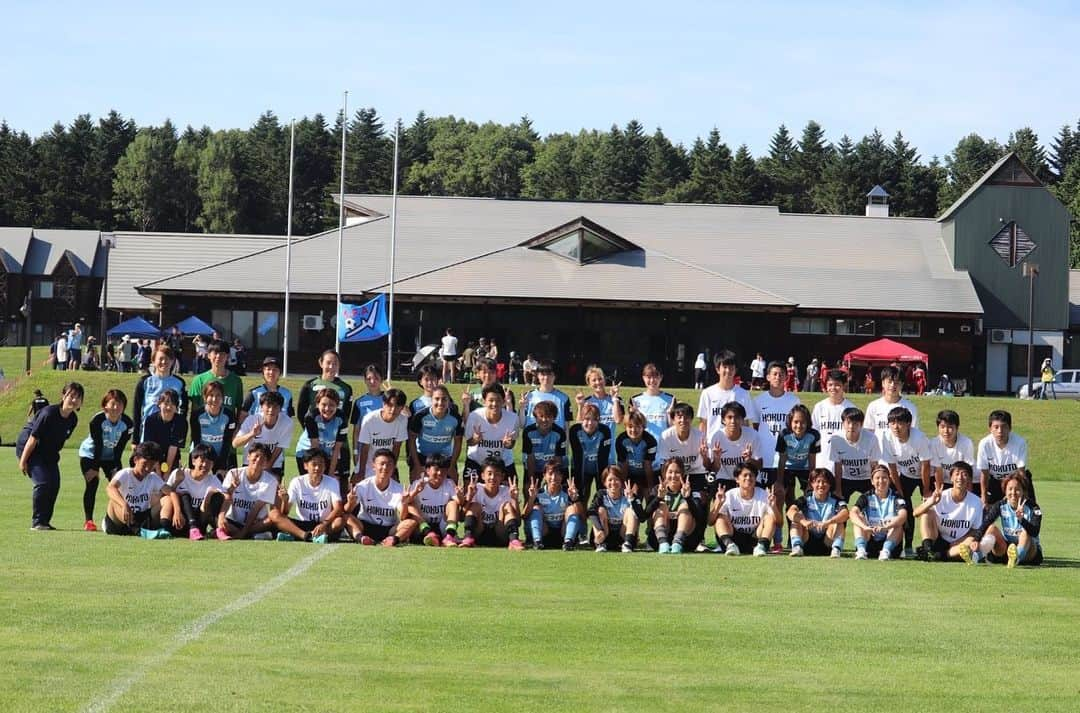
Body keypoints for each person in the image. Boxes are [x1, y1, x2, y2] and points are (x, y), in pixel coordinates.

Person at [17, 382, 84, 530]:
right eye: (71, 396)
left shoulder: (73, 419)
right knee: (43, 482)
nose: (74, 400)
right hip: (30, 448)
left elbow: (58, 441)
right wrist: (23, 461)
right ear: (63, 396)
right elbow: (33, 438)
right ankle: (37, 522)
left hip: (48, 452)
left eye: (78, 397)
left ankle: (44, 522)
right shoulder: (48, 413)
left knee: (54, 484)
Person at [754, 361, 801, 543]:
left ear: (786, 377)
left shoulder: (793, 401)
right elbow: (757, 427)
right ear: (767, 377)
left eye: (781, 374)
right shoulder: (759, 401)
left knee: (789, 498)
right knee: (769, 499)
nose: (777, 377)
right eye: (774, 374)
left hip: (787, 459)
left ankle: (793, 537)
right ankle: (771, 537)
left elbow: (797, 428)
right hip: (765, 458)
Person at [77, 389, 135, 531]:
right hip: (90, 455)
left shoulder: (127, 423)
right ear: (105, 406)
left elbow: (120, 448)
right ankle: (89, 520)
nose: (116, 407)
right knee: (93, 482)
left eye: (120, 404)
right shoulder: (97, 420)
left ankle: (118, 518)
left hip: (111, 457)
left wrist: (117, 469)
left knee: (120, 487)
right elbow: (97, 445)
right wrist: (95, 469)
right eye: (113, 404)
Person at [913, 462, 984, 564]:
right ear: (951, 478)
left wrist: (958, 542)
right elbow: (915, 513)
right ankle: (928, 549)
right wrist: (931, 502)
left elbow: (975, 530)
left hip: (959, 543)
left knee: (971, 541)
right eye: (957, 473)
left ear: (969, 479)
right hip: (938, 539)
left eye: (964, 474)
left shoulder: (976, 502)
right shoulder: (941, 496)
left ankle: (939, 556)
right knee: (927, 513)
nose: (960, 477)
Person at [343, 449, 415, 546]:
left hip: (388, 529)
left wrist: (405, 503)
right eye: (382, 464)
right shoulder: (363, 486)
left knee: (411, 522)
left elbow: (403, 517)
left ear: (394, 467)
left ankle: (393, 540)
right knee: (346, 517)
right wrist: (350, 502)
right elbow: (347, 511)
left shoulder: (399, 489)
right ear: (374, 466)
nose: (385, 467)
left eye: (389, 464)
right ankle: (362, 538)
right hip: (365, 526)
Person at [271, 450, 344, 543]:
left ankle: (296, 536)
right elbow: (284, 513)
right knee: (274, 514)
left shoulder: (332, 482)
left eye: (321, 464)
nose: (317, 468)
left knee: (339, 521)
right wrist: (285, 500)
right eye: (314, 464)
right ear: (305, 466)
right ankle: (306, 536)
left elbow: (338, 508)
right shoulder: (297, 482)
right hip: (302, 524)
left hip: (323, 523)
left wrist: (324, 524)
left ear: (325, 466)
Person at [103, 441, 172, 537]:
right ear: (136, 460)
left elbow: (171, 492)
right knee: (113, 502)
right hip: (120, 522)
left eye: (152, 465)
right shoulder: (125, 473)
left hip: (141, 519)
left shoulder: (152, 477)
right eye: (145, 464)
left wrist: (177, 511)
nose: (148, 468)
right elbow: (110, 488)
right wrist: (124, 505)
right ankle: (139, 531)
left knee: (167, 499)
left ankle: (166, 529)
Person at [975, 473, 1043, 567]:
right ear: (1005, 491)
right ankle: (977, 555)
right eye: (1010, 489)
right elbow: (986, 522)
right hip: (1007, 550)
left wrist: (1021, 520)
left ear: (1023, 491)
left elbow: (1035, 532)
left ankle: (1016, 557)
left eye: (1017, 489)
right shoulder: (1000, 505)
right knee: (992, 528)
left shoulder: (1033, 507)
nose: (1013, 493)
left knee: (1025, 532)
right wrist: (976, 539)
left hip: (1029, 552)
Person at [712, 462, 778, 557]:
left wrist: (774, 507)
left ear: (755, 478)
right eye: (745, 475)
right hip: (734, 538)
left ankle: (762, 546)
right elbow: (710, 521)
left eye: (751, 475)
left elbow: (779, 522)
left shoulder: (764, 495)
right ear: (737, 479)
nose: (748, 478)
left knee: (770, 518)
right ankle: (729, 546)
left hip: (755, 539)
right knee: (720, 518)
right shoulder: (729, 495)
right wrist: (718, 504)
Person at [162, 443, 226, 540]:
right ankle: (191, 529)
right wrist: (177, 482)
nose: (205, 465)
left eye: (209, 462)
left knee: (216, 496)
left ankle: (218, 529)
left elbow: (225, 498)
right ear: (193, 461)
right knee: (184, 495)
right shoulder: (179, 473)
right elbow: (165, 496)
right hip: (181, 520)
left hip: (200, 521)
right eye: (202, 461)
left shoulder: (213, 480)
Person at [216, 444, 279, 541]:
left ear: (266, 463)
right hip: (233, 520)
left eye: (263, 458)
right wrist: (232, 488)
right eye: (256, 456)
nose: (258, 460)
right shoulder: (233, 473)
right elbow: (226, 498)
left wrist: (243, 533)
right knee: (217, 515)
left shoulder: (270, 481)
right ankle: (251, 534)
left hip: (255, 522)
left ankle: (243, 533)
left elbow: (256, 509)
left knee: (271, 518)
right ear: (248, 456)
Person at [458, 458, 524, 550]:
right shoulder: (476, 489)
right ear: (482, 476)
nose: (492, 477)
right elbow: (461, 518)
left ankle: (514, 541)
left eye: (497, 474)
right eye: (489, 474)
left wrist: (514, 500)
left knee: (507, 506)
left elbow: (518, 522)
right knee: (475, 505)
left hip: (499, 534)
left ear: (502, 476)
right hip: (479, 533)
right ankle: (468, 537)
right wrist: (469, 497)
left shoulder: (506, 491)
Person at [132, 344, 189, 447]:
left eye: (167, 359)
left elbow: (183, 409)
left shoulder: (179, 383)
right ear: (153, 361)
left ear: (172, 361)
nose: (164, 362)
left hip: (170, 433)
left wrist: (179, 432)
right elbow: (137, 411)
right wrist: (135, 440)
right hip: (148, 432)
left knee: (168, 463)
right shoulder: (145, 382)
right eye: (160, 359)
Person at [644, 458, 703, 554]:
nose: (673, 476)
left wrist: (687, 498)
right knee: (661, 506)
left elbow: (699, 517)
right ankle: (663, 544)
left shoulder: (690, 489)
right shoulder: (657, 489)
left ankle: (677, 543)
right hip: (659, 539)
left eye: (677, 472)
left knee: (684, 507)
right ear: (664, 474)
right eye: (670, 472)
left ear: (682, 474)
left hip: (686, 540)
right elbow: (644, 516)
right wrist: (658, 498)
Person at [786, 468, 849, 558]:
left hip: (827, 541)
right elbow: (790, 512)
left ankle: (836, 549)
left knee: (839, 522)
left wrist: (828, 522)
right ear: (812, 483)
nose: (821, 485)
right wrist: (804, 521)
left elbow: (845, 513)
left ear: (830, 484)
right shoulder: (805, 499)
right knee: (796, 519)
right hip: (807, 540)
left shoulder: (836, 500)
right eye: (817, 481)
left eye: (825, 482)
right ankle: (797, 547)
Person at [849, 464, 907, 560]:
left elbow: (903, 515)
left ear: (889, 480)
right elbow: (852, 513)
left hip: (890, 539)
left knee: (898, 524)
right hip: (870, 537)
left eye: (884, 478)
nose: (881, 481)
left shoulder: (896, 497)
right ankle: (861, 550)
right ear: (872, 481)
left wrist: (886, 527)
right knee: (859, 519)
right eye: (877, 478)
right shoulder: (866, 496)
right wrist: (865, 527)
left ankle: (885, 551)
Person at [523, 460, 584, 551]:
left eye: (557, 474)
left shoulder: (569, 492)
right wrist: (531, 498)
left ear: (562, 476)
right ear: (544, 475)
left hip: (562, 534)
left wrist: (576, 499)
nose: (554, 477)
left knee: (572, 509)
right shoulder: (538, 493)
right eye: (550, 474)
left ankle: (568, 542)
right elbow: (524, 515)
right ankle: (537, 541)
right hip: (544, 534)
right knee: (536, 508)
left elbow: (582, 517)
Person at [407, 384, 464, 482]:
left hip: (445, 458)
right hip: (423, 457)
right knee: (416, 486)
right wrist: (417, 465)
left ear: (448, 401)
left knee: (453, 484)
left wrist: (452, 466)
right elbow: (411, 440)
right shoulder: (420, 416)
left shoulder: (455, 418)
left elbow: (458, 442)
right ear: (431, 400)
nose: (440, 402)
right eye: (436, 399)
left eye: (444, 399)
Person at [698, 350, 760, 440]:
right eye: (725, 367)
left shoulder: (744, 394)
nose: (728, 370)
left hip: (737, 449)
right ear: (718, 369)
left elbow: (746, 424)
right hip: (713, 447)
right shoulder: (707, 393)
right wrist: (702, 443)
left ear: (735, 370)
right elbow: (703, 423)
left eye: (731, 367)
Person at [463, 383, 518, 484]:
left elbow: (512, 444)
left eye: (498, 400)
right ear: (484, 401)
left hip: (503, 462)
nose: (494, 404)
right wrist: (475, 439)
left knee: (511, 492)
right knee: (469, 492)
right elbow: (469, 442)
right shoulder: (474, 416)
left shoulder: (512, 418)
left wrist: (508, 443)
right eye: (491, 400)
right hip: (477, 461)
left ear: (503, 402)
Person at [406, 454, 464, 546]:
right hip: (423, 527)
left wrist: (460, 496)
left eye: (443, 470)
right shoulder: (419, 484)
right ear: (427, 470)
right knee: (411, 505)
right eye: (436, 469)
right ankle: (428, 533)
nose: (440, 473)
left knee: (453, 504)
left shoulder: (449, 483)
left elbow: (460, 503)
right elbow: (406, 503)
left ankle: (449, 537)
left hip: (442, 526)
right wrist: (415, 492)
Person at [704, 402, 763, 493]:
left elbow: (759, 465)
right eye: (729, 417)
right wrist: (716, 459)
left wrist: (749, 459)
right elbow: (713, 470)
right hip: (725, 478)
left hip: (747, 478)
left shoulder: (752, 435)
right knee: (718, 498)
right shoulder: (717, 437)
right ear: (723, 420)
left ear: (743, 420)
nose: (733, 421)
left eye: (737, 417)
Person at [233, 391, 293, 478]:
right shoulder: (251, 420)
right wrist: (252, 434)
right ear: (261, 407)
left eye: (275, 406)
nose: (271, 410)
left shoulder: (287, 422)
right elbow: (235, 443)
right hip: (250, 463)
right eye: (268, 406)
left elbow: (279, 448)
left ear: (280, 408)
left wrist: (266, 469)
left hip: (273, 465)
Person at [975, 410, 1030, 505]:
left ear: (1010, 428)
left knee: (1028, 508)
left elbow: (1021, 472)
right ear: (990, 428)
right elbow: (984, 473)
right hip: (994, 482)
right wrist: (984, 497)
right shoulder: (984, 444)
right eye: (996, 427)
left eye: (1004, 427)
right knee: (986, 513)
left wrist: (1023, 494)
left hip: (1015, 481)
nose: (1000, 431)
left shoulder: (1020, 443)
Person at [655, 402, 708, 498]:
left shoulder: (700, 436)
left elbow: (706, 466)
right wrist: (668, 482)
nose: (683, 420)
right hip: (674, 475)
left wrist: (704, 456)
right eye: (679, 417)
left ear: (691, 419)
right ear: (673, 419)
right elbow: (664, 466)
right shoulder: (665, 436)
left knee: (699, 501)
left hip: (695, 473)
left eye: (686, 417)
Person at [829, 407, 882, 503]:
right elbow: (838, 466)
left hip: (866, 478)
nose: (851, 426)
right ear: (843, 423)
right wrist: (838, 489)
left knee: (873, 504)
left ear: (861, 425)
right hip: (845, 478)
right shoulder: (836, 439)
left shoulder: (871, 439)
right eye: (848, 422)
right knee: (837, 503)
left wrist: (876, 486)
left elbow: (874, 465)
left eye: (855, 423)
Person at [296, 388, 348, 484]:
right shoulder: (311, 417)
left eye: (332, 405)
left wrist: (331, 474)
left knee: (328, 481)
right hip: (307, 453)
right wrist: (317, 472)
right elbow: (315, 448)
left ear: (337, 406)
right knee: (312, 482)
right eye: (323, 405)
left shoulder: (341, 418)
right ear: (317, 404)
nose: (327, 409)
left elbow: (336, 449)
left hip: (327, 453)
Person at [356, 388, 408, 481]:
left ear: (402, 407)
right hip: (369, 465)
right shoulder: (369, 419)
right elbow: (364, 448)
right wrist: (361, 472)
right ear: (383, 404)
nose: (393, 409)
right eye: (390, 405)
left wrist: (392, 470)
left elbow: (397, 447)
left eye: (397, 406)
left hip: (388, 465)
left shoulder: (403, 420)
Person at [188, 381, 238, 477]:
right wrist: (201, 461)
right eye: (211, 395)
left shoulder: (229, 415)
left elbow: (227, 441)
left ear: (223, 398)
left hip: (220, 457)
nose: (214, 399)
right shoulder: (197, 415)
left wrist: (222, 465)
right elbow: (196, 439)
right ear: (205, 397)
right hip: (199, 457)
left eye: (218, 395)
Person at [588, 467, 644, 552]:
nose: (613, 483)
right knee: (600, 510)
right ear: (604, 483)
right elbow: (591, 512)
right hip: (605, 535)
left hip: (622, 535)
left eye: (616, 479)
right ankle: (600, 544)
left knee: (630, 511)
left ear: (621, 482)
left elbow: (642, 517)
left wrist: (632, 499)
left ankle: (627, 543)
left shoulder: (628, 495)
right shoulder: (601, 495)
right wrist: (599, 529)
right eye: (610, 480)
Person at [568, 403, 613, 504]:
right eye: (587, 419)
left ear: (598, 420)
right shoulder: (575, 431)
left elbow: (603, 458)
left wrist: (601, 483)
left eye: (594, 419)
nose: (590, 423)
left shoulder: (605, 431)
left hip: (599, 468)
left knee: (602, 498)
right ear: (581, 419)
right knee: (581, 497)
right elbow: (577, 455)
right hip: (581, 468)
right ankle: (581, 517)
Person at [295, 349, 354, 425]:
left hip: (335, 433)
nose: (331, 367)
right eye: (328, 363)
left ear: (339, 365)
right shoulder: (310, 385)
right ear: (321, 363)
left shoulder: (346, 388)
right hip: (314, 433)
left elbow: (346, 415)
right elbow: (301, 413)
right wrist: (310, 431)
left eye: (335, 364)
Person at [810, 369, 855, 468]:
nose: (833, 388)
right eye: (830, 384)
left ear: (844, 386)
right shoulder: (819, 407)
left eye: (837, 385)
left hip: (844, 462)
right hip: (822, 460)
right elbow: (813, 434)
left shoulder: (851, 408)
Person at [775, 404, 820, 500]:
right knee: (780, 494)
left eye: (803, 422)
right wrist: (779, 482)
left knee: (810, 495)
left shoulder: (814, 435)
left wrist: (810, 482)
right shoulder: (784, 435)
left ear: (808, 422)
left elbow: (812, 461)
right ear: (790, 422)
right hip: (787, 467)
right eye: (796, 422)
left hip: (805, 468)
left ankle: (806, 514)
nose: (799, 425)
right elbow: (782, 460)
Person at [137, 389, 187, 473]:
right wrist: (158, 472)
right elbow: (151, 447)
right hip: (152, 457)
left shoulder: (181, 422)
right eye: (166, 403)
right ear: (159, 404)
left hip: (171, 459)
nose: (168, 407)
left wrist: (166, 473)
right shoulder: (150, 420)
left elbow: (173, 447)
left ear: (176, 406)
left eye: (173, 404)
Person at [188, 339, 244, 413]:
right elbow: (194, 410)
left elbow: (239, 408)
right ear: (208, 355)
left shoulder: (236, 381)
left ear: (228, 356)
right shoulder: (199, 380)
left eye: (222, 353)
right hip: (204, 424)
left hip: (228, 423)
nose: (218, 356)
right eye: (215, 352)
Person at [521, 400, 567, 484]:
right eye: (541, 416)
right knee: (528, 489)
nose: (544, 420)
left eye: (548, 416)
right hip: (535, 466)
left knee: (556, 488)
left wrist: (551, 479)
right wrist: (532, 481)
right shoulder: (528, 432)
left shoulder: (559, 433)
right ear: (535, 417)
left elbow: (558, 459)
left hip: (553, 467)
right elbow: (530, 458)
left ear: (554, 418)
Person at [864, 366, 919, 435]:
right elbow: (868, 432)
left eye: (896, 382)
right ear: (883, 383)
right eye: (889, 381)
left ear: (902, 385)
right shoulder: (873, 406)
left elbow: (913, 433)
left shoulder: (910, 408)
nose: (892, 385)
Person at [630, 363, 676, 443]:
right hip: (644, 447)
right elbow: (632, 428)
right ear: (643, 378)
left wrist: (670, 414)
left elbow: (674, 428)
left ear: (661, 378)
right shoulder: (636, 400)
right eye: (649, 377)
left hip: (664, 447)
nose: (652, 380)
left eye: (655, 377)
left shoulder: (670, 399)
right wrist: (635, 414)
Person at [518, 361, 570, 430]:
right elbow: (522, 425)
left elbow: (566, 427)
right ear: (537, 376)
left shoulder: (564, 398)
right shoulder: (528, 396)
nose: (546, 378)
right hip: (532, 439)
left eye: (549, 374)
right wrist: (522, 408)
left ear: (555, 376)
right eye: (542, 374)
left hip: (556, 439)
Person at [929, 410, 975, 489]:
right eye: (942, 427)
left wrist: (967, 493)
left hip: (960, 481)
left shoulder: (966, 443)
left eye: (950, 427)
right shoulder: (934, 443)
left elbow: (967, 471)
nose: (946, 431)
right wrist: (940, 493)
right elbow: (938, 470)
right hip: (943, 481)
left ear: (957, 428)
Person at [240, 356, 294, 422]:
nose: (271, 372)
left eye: (275, 369)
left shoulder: (287, 394)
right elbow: (243, 416)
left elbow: (289, 417)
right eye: (268, 369)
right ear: (263, 372)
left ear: (280, 373)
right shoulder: (254, 393)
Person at [614, 410, 657, 494]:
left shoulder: (650, 441)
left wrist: (650, 487)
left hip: (644, 473)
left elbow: (648, 465)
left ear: (643, 427)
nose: (633, 430)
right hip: (629, 474)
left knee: (649, 494)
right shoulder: (621, 440)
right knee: (634, 493)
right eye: (630, 426)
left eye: (637, 426)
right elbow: (624, 465)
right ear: (625, 427)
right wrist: (623, 486)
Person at [350, 364, 387, 460]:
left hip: (385, 448)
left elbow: (406, 413)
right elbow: (356, 431)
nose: (372, 382)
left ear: (382, 379)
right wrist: (355, 451)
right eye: (369, 378)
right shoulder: (359, 402)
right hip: (365, 449)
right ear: (365, 380)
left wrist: (393, 393)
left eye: (376, 378)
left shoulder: (389, 399)